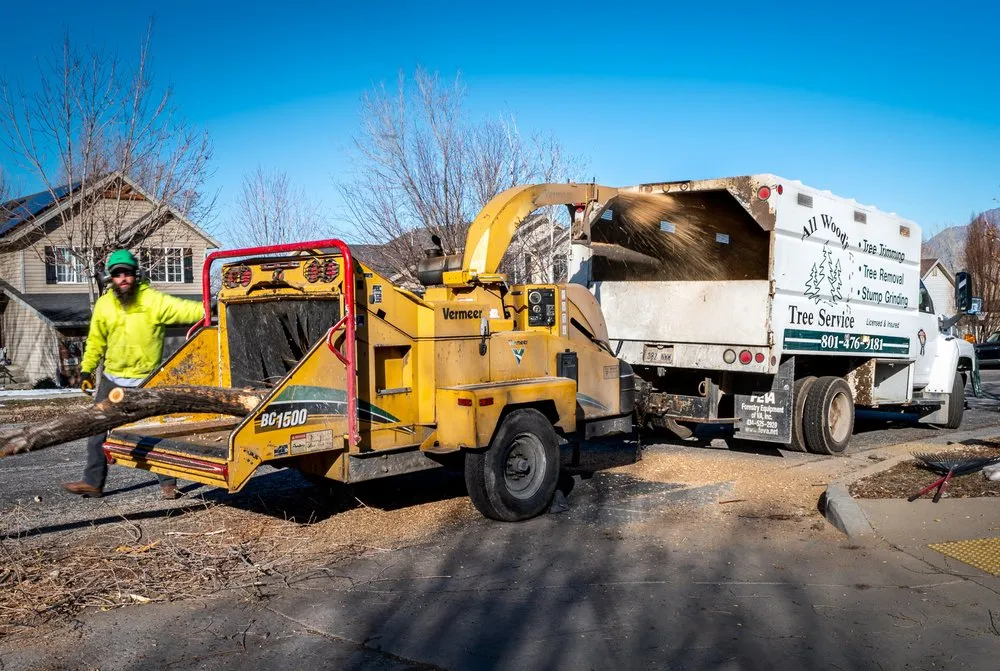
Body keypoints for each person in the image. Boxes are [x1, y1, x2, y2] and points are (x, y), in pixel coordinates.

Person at [63, 249, 205, 500]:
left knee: (153, 431)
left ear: (135, 274)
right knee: (96, 429)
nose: (123, 278)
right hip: (112, 379)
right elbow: (95, 341)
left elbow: (190, 310)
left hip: (146, 380)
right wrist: (86, 369)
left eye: (127, 273)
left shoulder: (153, 301)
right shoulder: (105, 305)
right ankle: (93, 483)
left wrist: (214, 306)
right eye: (118, 274)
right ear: (111, 278)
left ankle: (168, 483)